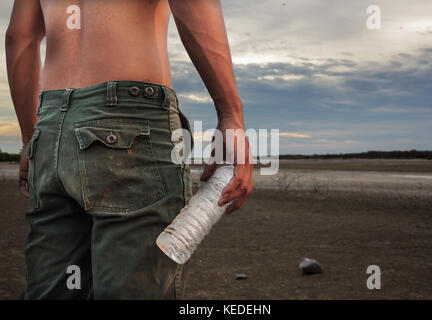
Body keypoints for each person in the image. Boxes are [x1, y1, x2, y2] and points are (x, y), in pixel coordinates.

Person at [6, 0, 254, 300]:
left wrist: (31, 140)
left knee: (55, 291)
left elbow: (20, 36)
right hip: (129, 123)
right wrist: (230, 113)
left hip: (50, 127)